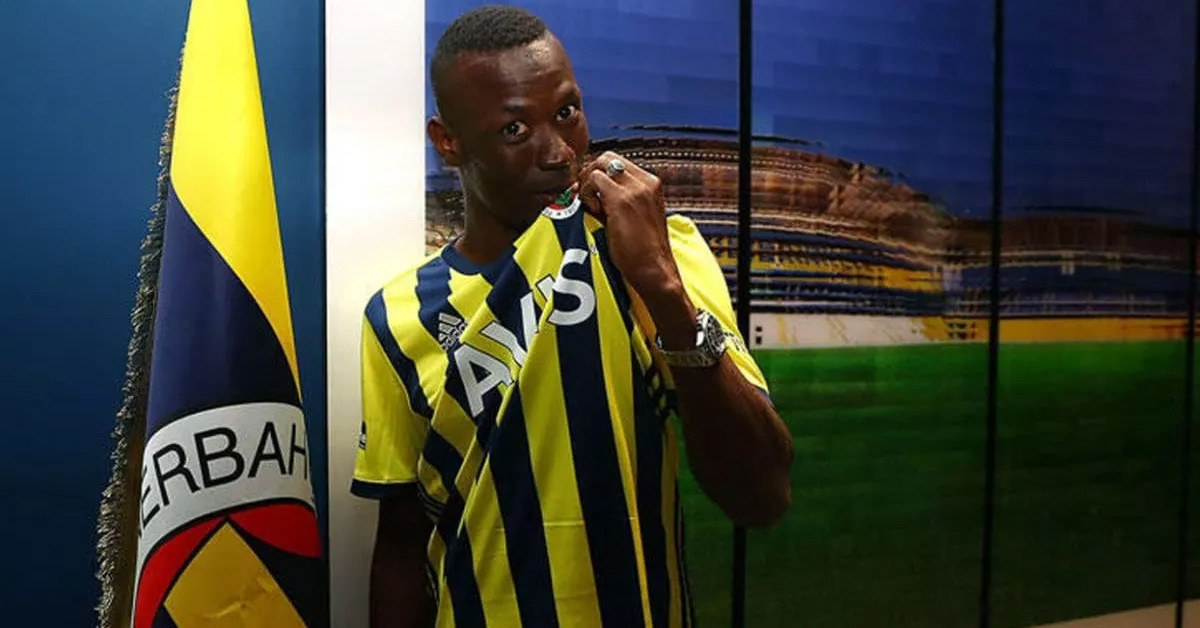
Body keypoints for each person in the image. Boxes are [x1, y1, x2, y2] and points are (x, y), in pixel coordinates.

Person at [352, 6, 794, 626]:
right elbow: (402, 545)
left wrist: (663, 288)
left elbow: (762, 495)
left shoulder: (660, 254)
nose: (559, 152)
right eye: (515, 129)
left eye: (567, 112)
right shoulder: (401, 315)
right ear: (448, 141)